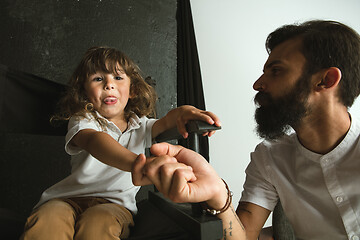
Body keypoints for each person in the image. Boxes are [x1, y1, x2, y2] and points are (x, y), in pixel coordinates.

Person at [132, 20, 360, 240]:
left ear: (326, 80)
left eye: (276, 71)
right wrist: (218, 194)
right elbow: (244, 236)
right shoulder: (271, 157)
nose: (258, 84)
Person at [20, 46, 221, 240]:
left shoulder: (142, 125)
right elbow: (94, 141)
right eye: (98, 79)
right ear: (84, 91)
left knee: (98, 225)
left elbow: (168, 121)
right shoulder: (83, 119)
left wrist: (184, 111)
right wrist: (138, 164)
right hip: (67, 198)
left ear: (132, 89)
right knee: (49, 219)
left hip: (115, 205)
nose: (109, 85)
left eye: (117, 78)